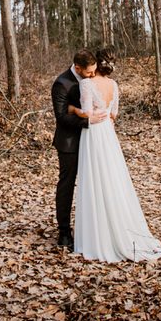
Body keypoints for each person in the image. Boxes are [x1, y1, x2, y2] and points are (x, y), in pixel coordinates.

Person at [67, 48, 161, 262]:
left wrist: (73, 109)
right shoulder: (114, 85)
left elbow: (87, 113)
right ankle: (119, 226)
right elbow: (114, 115)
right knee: (112, 180)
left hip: (92, 134)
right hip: (109, 136)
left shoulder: (86, 84)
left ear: (97, 65)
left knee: (94, 181)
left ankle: (97, 236)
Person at [51, 50, 107, 250]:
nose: (93, 75)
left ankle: (93, 229)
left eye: (94, 71)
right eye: (90, 72)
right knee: (67, 184)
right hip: (70, 142)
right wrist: (86, 121)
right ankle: (64, 231)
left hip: (92, 141)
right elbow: (60, 117)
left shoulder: (92, 77)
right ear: (77, 68)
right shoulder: (61, 83)